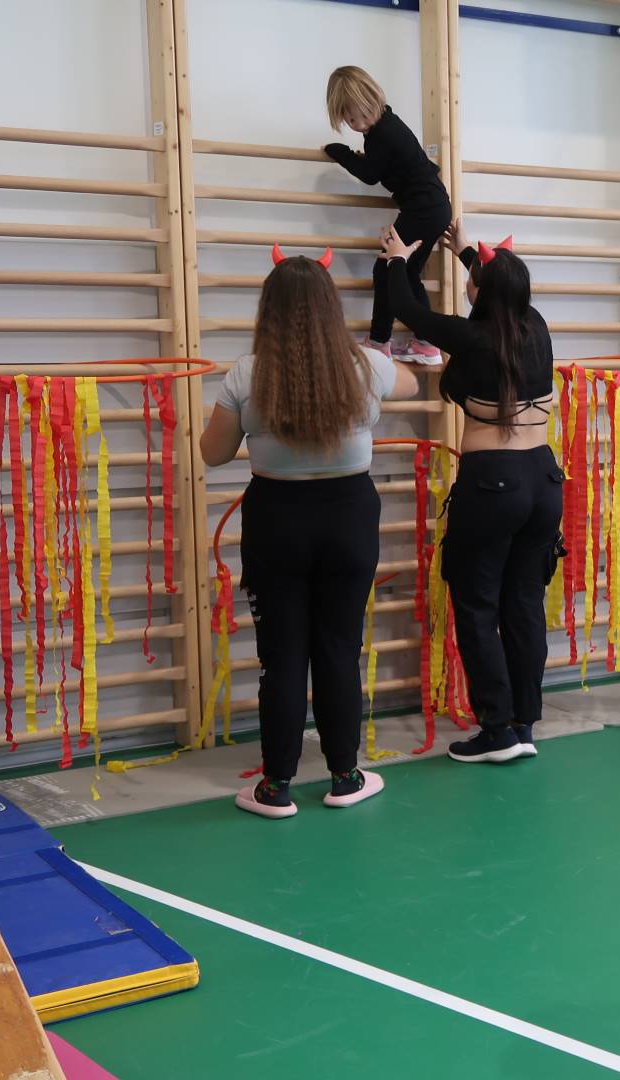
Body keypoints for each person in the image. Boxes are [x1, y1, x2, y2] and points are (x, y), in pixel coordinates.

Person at [198, 248, 419, 818]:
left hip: (277, 519)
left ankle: (276, 787)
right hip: (349, 517)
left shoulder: (247, 373)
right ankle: (345, 776)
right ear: (329, 308)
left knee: (282, 655)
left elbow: (213, 453)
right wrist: (374, 356)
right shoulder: (363, 367)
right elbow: (413, 384)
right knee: (340, 647)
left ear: (267, 310)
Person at [379, 219, 561, 765]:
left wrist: (396, 259)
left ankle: (496, 729)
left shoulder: (472, 337)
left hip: (493, 482)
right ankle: (524, 724)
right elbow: (500, 290)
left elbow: (407, 310)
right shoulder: (535, 327)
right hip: (544, 479)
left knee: (478, 602)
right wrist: (465, 253)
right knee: (523, 601)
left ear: (479, 290)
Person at [324, 65, 452, 362]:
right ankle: (425, 343)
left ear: (375, 99)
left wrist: (339, 151)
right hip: (433, 206)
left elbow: (370, 175)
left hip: (424, 208)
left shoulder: (383, 133)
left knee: (386, 268)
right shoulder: (386, 124)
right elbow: (382, 164)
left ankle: (380, 341)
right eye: (351, 119)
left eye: (364, 114)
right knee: (406, 271)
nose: (359, 124)